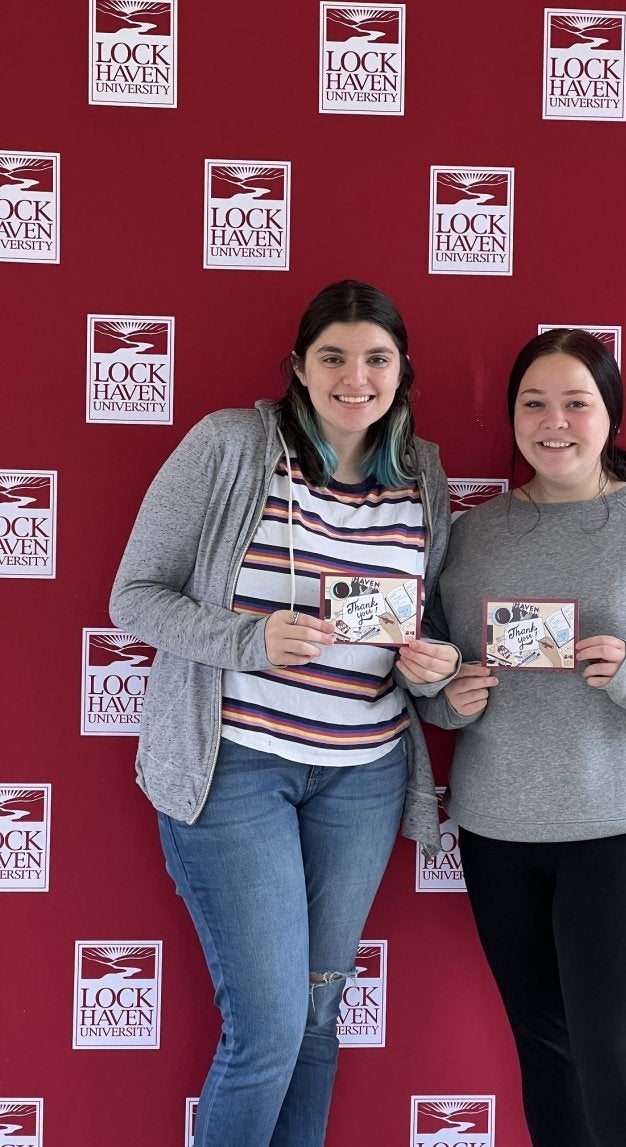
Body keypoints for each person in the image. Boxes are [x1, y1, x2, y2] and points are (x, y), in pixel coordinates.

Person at [110, 280, 459, 1147]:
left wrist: (434, 664)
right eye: (333, 356)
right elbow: (133, 596)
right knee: (267, 1029)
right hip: (235, 768)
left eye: (375, 358)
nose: (355, 376)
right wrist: (250, 640)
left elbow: (429, 633)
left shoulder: (424, 475)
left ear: (401, 370)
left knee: (313, 1024)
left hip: (364, 777)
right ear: (299, 367)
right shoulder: (231, 445)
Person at [418, 328, 626, 1146]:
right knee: (546, 1050)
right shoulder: (474, 536)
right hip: (501, 831)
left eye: (577, 401)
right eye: (534, 402)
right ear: (511, 417)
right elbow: (430, 678)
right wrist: (449, 694)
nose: (554, 420)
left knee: (615, 1051)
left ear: (611, 415)